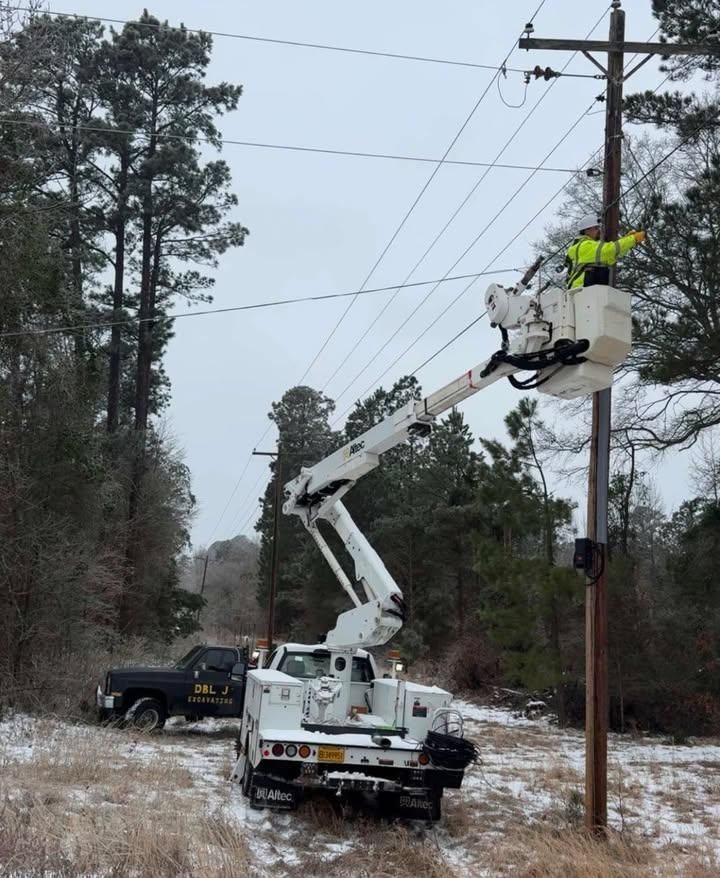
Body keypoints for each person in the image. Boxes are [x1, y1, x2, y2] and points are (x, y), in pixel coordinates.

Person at [565, 213, 646, 289]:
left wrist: (628, 240)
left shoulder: (586, 246)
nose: (599, 230)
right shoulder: (583, 246)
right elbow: (609, 250)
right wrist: (633, 239)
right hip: (581, 289)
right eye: (596, 228)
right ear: (587, 231)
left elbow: (614, 255)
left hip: (587, 291)